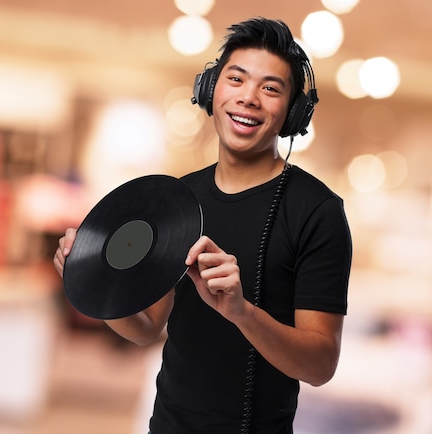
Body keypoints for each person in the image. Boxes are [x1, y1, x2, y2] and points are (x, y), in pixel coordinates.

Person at [54, 17, 352, 434]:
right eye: (236, 79)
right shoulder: (175, 198)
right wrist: (91, 281)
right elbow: (146, 327)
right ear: (210, 90)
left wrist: (242, 312)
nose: (249, 98)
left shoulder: (317, 211)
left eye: (270, 88)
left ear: (292, 113)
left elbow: (321, 365)